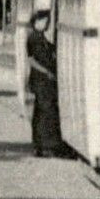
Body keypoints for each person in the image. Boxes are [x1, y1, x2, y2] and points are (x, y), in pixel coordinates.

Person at [25, 10, 63, 157]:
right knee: (46, 112)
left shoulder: (42, 38)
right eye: (43, 21)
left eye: (47, 21)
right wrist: (45, 71)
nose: (46, 23)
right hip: (40, 80)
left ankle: (40, 145)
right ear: (36, 22)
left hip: (45, 81)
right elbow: (31, 60)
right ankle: (45, 145)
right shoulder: (33, 38)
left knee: (42, 112)